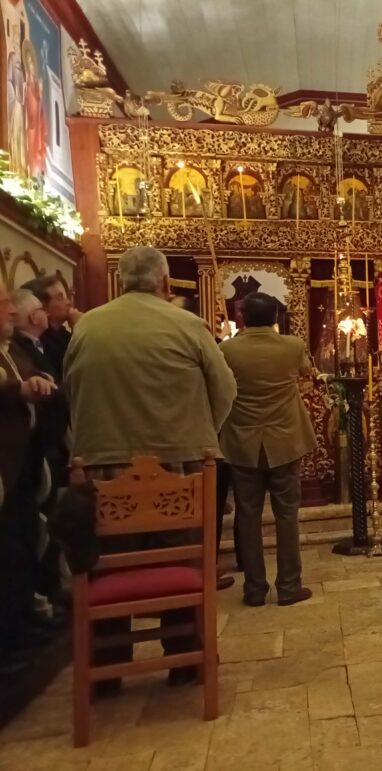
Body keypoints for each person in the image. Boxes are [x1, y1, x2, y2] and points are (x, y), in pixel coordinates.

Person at [65, 246, 237, 690]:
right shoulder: (186, 325)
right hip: (179, 470)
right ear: (164, 282)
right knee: (181, 559)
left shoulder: (88, 327)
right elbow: (224, 389)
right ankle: (184, 661)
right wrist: (198, 433)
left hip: (102, 471)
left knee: (109, 564)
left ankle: (108, 669)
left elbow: (72, 391)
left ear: (122, 280)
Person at [219, 292, 314, 607]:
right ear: (276, 318)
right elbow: (307, 372)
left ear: (243, 317)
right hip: (284, 440)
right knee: (287, 514)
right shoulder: (292, 346)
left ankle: (254, 589)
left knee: (247, 516)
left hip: (242, 442)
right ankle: (289, 586)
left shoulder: (227, 350)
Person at [0, 278, 59, 676]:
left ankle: (23, 621)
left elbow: (35, 373)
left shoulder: (13, 349)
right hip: (7, 463)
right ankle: (9, 639)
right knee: (8, 550)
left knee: (24, 540)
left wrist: (41, 379)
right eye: (4, 304)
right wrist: (20, 387)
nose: (10, 310)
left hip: (24, 461)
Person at [21, 274, 81, 382]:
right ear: (45, 308)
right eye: (60, 297)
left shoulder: (63, 334)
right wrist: (79, 327)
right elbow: (76, 370)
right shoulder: (40, 339)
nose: (69, 302)